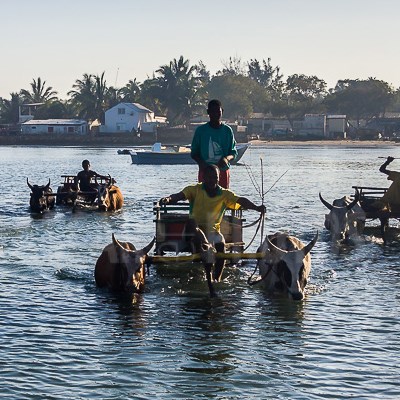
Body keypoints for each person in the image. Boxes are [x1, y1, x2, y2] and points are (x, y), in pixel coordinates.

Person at [160, 164, 265, 296]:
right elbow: (179, 195)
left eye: (215, 177)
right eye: (209, 178)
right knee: (192, 223)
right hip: (192, 231)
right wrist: (169, 199)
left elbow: (241, 200)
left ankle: (217, 278)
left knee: (220, 244)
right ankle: (207, 247)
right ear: (203, 178)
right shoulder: (195, 189)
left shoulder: (225, 194)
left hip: (213, 231)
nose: (212, 181)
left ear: (218, 178)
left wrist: (256, 208)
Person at [191, 99, 237, 189]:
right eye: (213, 111)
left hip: (222, 171)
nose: (216, 114)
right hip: (205, 172)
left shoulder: (227, 131)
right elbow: (194, 153)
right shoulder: (201, 131)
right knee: (205, 197)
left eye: (218, 111)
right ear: (208, 112)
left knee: (223, 199)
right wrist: (202, 164)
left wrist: (226, 159)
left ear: (222, 111)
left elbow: (233, 153)